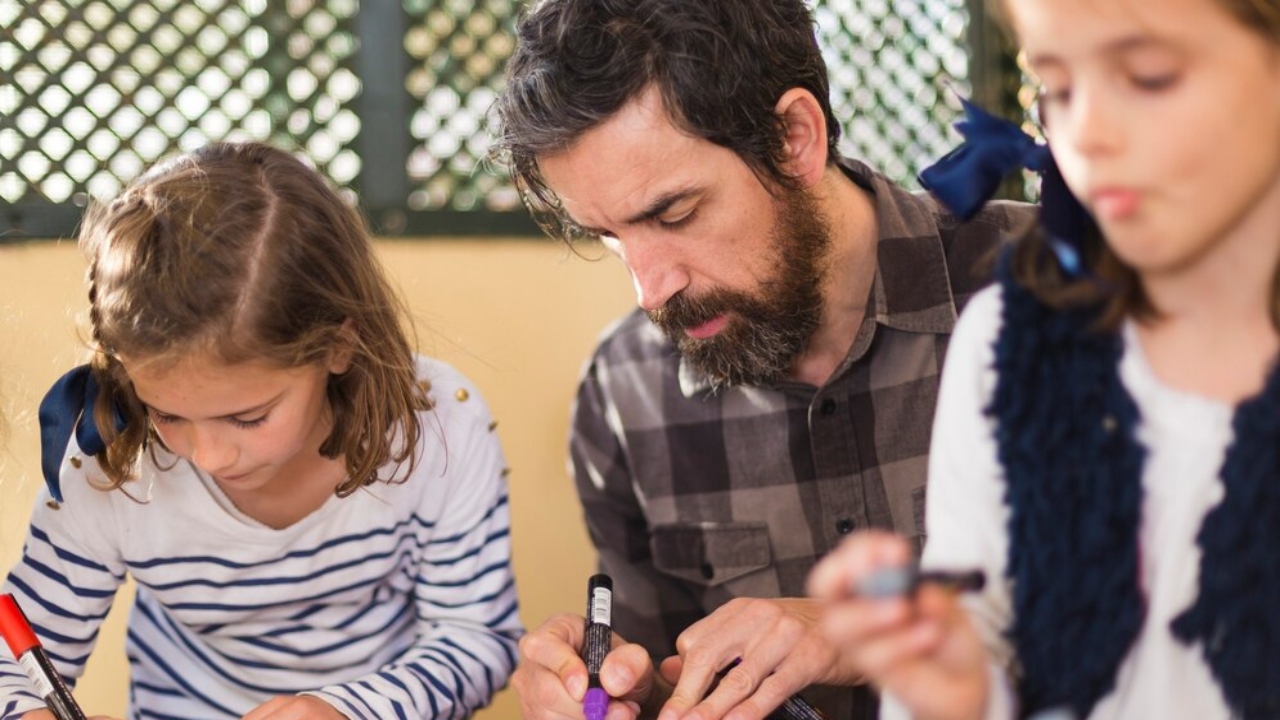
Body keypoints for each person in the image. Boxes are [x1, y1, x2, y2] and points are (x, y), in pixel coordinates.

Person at [491, 1, 1032, 718]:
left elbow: (1176, 611)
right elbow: (664, 679)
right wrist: (609, 692)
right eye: (609, 236)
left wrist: (868, 628)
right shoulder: (625, 395)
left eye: (675, 214)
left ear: (794, 139)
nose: (651, 292)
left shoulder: (1054, 293)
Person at [807, 0, 1280, 717]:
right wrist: (950, 686)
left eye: (1149, 76)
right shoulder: (1008, 353)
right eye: (1057, 86)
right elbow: (984, 626)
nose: (1084, 131)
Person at [0, 142, 522, 720]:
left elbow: (476, 636)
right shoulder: (105, 456)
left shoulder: (439, 425)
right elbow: (17, 652)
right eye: (167, 415)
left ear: (339, 346)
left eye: (247, 417)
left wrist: (349, 711)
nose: (211, 456)